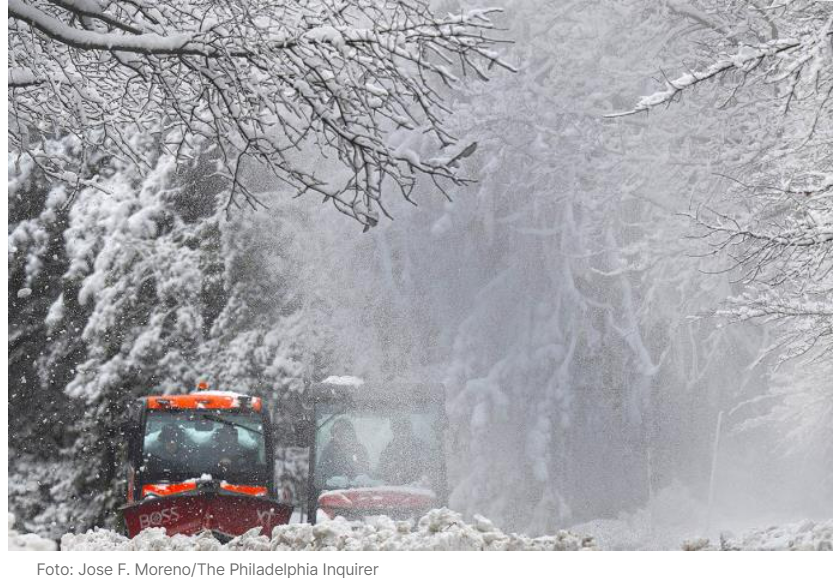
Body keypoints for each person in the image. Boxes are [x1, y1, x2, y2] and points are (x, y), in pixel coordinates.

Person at [376, 416, 429, 486]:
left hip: (416, 489)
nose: (401, 434)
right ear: (393, 431)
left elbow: (427, 470)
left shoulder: (420, 447)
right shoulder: (388, 450)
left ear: (409, 430)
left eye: (403, 430)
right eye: (397, 430)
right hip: (393, 490)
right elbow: (382, 472)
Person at [318, 418, 370, 485]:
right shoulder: (328, 451)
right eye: (336, 431)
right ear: (333, 434)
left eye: (343, 430)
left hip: (358, 489)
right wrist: (333, 480)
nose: (339, 433)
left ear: (350, 433)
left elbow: (365, 470)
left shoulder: (359, 449)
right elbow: (321, 475)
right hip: (333, 490)